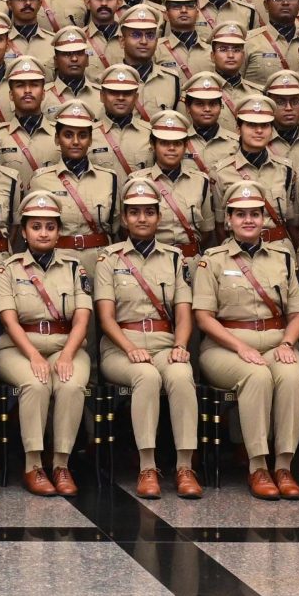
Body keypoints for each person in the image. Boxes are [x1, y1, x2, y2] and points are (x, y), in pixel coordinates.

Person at [192, 180, 299, 500]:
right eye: (240, 214)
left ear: (264, 219)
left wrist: (286, 344)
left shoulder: (283, 257)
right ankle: (257, 466)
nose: (248, 220)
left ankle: (283, 465)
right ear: (228, 220)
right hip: (224, 348)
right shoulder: (212, 260)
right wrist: (240, 346)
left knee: (292, 374)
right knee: (256, 376)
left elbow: (297, 312)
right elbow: (203, 317)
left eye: (254, 214)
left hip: (274, 343)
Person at [95, 178, 201, 499]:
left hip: (163, 343)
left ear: (159, 216)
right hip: (120, 347)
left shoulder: (174, 258)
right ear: (124, 218)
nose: (142, 219)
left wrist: (180, 346)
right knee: (145, 376)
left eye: (149, 212)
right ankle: (147, 466)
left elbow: (183, 313)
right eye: (135, 212)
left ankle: (184, 466)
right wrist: (129, 348)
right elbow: (105, 317)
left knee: (182, 375)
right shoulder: (108, 259)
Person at [0, 192, 94, 496]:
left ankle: (61, 464)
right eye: (36, 226)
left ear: (58, 231)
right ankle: (34, 465)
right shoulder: (8, 268)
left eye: (50, 227)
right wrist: (35, 356)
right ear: (23, 232)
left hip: (67, 344)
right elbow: (9, 320)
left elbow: (81, 318)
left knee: (70, 384)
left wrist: (67, 354)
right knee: (35, 384)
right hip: (18, 348)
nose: (43, 233)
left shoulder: (75, 267)